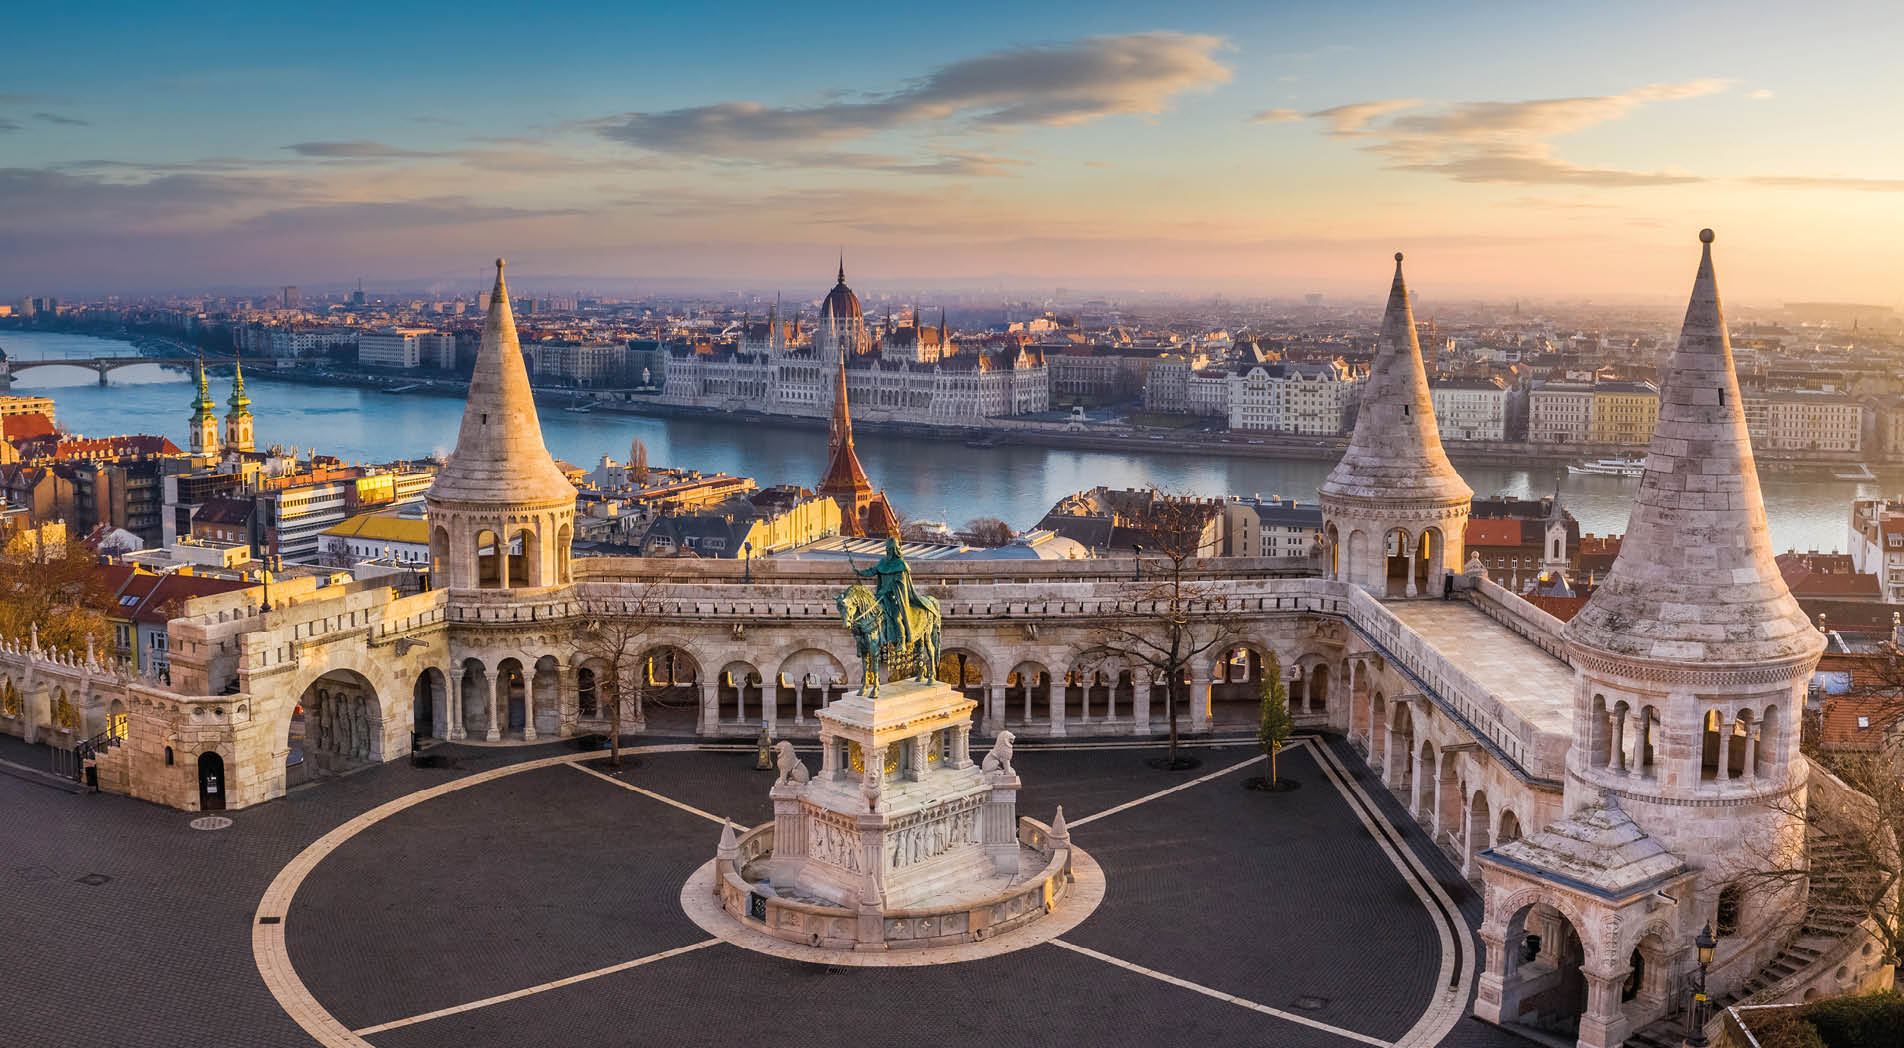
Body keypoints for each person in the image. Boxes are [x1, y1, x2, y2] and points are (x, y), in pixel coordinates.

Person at [850, 536, 939, 649]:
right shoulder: (883, 562)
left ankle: (901, 641)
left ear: (895, 550)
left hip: (895, 598)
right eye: (887, 549)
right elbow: (873, 571)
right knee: (872, 614)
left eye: (890, 549)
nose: (888, 552)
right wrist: (860, 572)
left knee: (896, 618)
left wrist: (892, 588)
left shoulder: (900, 565)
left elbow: (901, 585)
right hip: (881, 596)